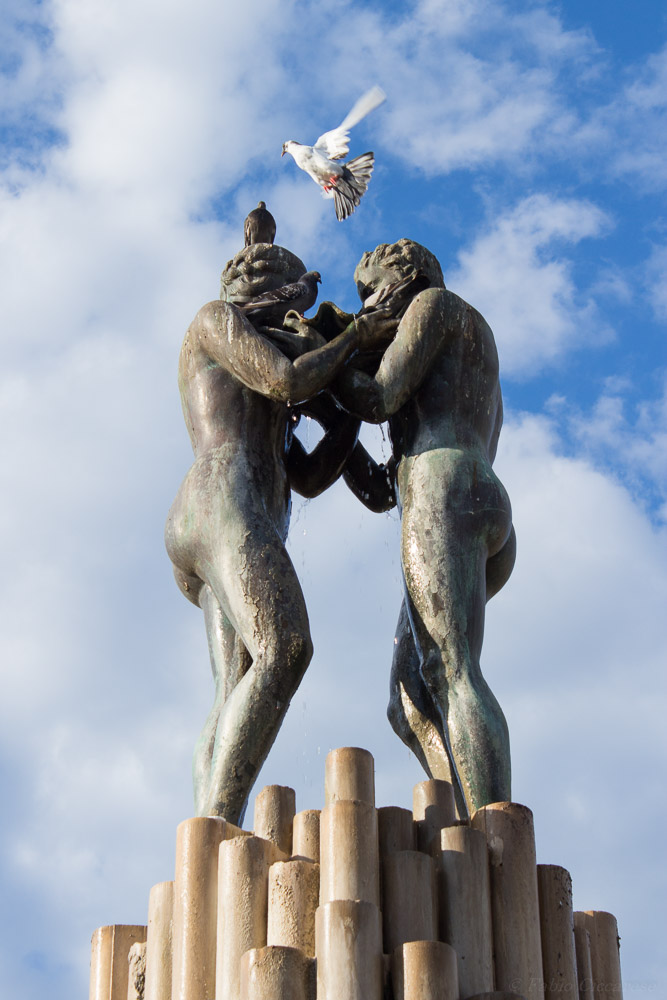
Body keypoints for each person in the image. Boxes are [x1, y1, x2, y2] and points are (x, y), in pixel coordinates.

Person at [165, 242, 395, 823]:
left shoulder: (267, 387)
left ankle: (209, 833)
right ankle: (217, 824)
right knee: (285, 648)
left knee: (234, 685)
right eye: (248, 270)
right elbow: (287, 379)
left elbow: (313, 476)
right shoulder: (217, 321)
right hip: (222, 499)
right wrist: (350, 344)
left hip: (232, 511)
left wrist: (343, 413)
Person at [333, 239, 516, 817]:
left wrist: (329, 353)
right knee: (406, 700)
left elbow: (380, 396)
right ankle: (464, 817)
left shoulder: (433, 305)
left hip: (445, 487)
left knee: (454, 665)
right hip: (469, 496)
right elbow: (384, 492)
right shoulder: (467, 351)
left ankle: (496, 831)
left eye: (373, 286)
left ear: (407, 271)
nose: (369, 303)